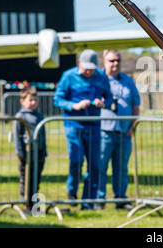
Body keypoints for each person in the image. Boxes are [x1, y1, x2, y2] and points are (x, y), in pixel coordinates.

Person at [54, 49, 113, 210]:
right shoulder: (68, 76)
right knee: (76, 160)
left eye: (92, 68)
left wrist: (103, 103)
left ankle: (88, 202)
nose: (89, 71)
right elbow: (57, 99)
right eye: (86, 68)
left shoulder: (101, 76)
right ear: (79, 63)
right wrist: (74, 105)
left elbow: (109, 97)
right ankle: (72, 192)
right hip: (74, 125)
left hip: (94, 125)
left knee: (94, 164)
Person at [96, 49, 140, 210]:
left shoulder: (128, 80)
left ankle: (120, 199)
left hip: (124, 132)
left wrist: (132, 125)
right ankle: (99, 200)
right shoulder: (98, 79)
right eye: (111, 61)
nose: (115, 64)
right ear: (104, 62)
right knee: (100, 166)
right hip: (103, 131)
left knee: (121, 168)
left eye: (117, 61)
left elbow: (135, 104)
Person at [13, 87, 47, 211]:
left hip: (39, 153)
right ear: (22, 101)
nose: (33, 102)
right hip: (26, 154)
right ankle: (26, 202)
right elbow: (17, 135)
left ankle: (34, 202)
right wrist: (20, 152)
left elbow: (43, 135)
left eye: (35, 100)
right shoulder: (20, 116)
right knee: (25, 178)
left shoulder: (40, 115)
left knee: (36, 177)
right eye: (30, 100)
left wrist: (44, 151)